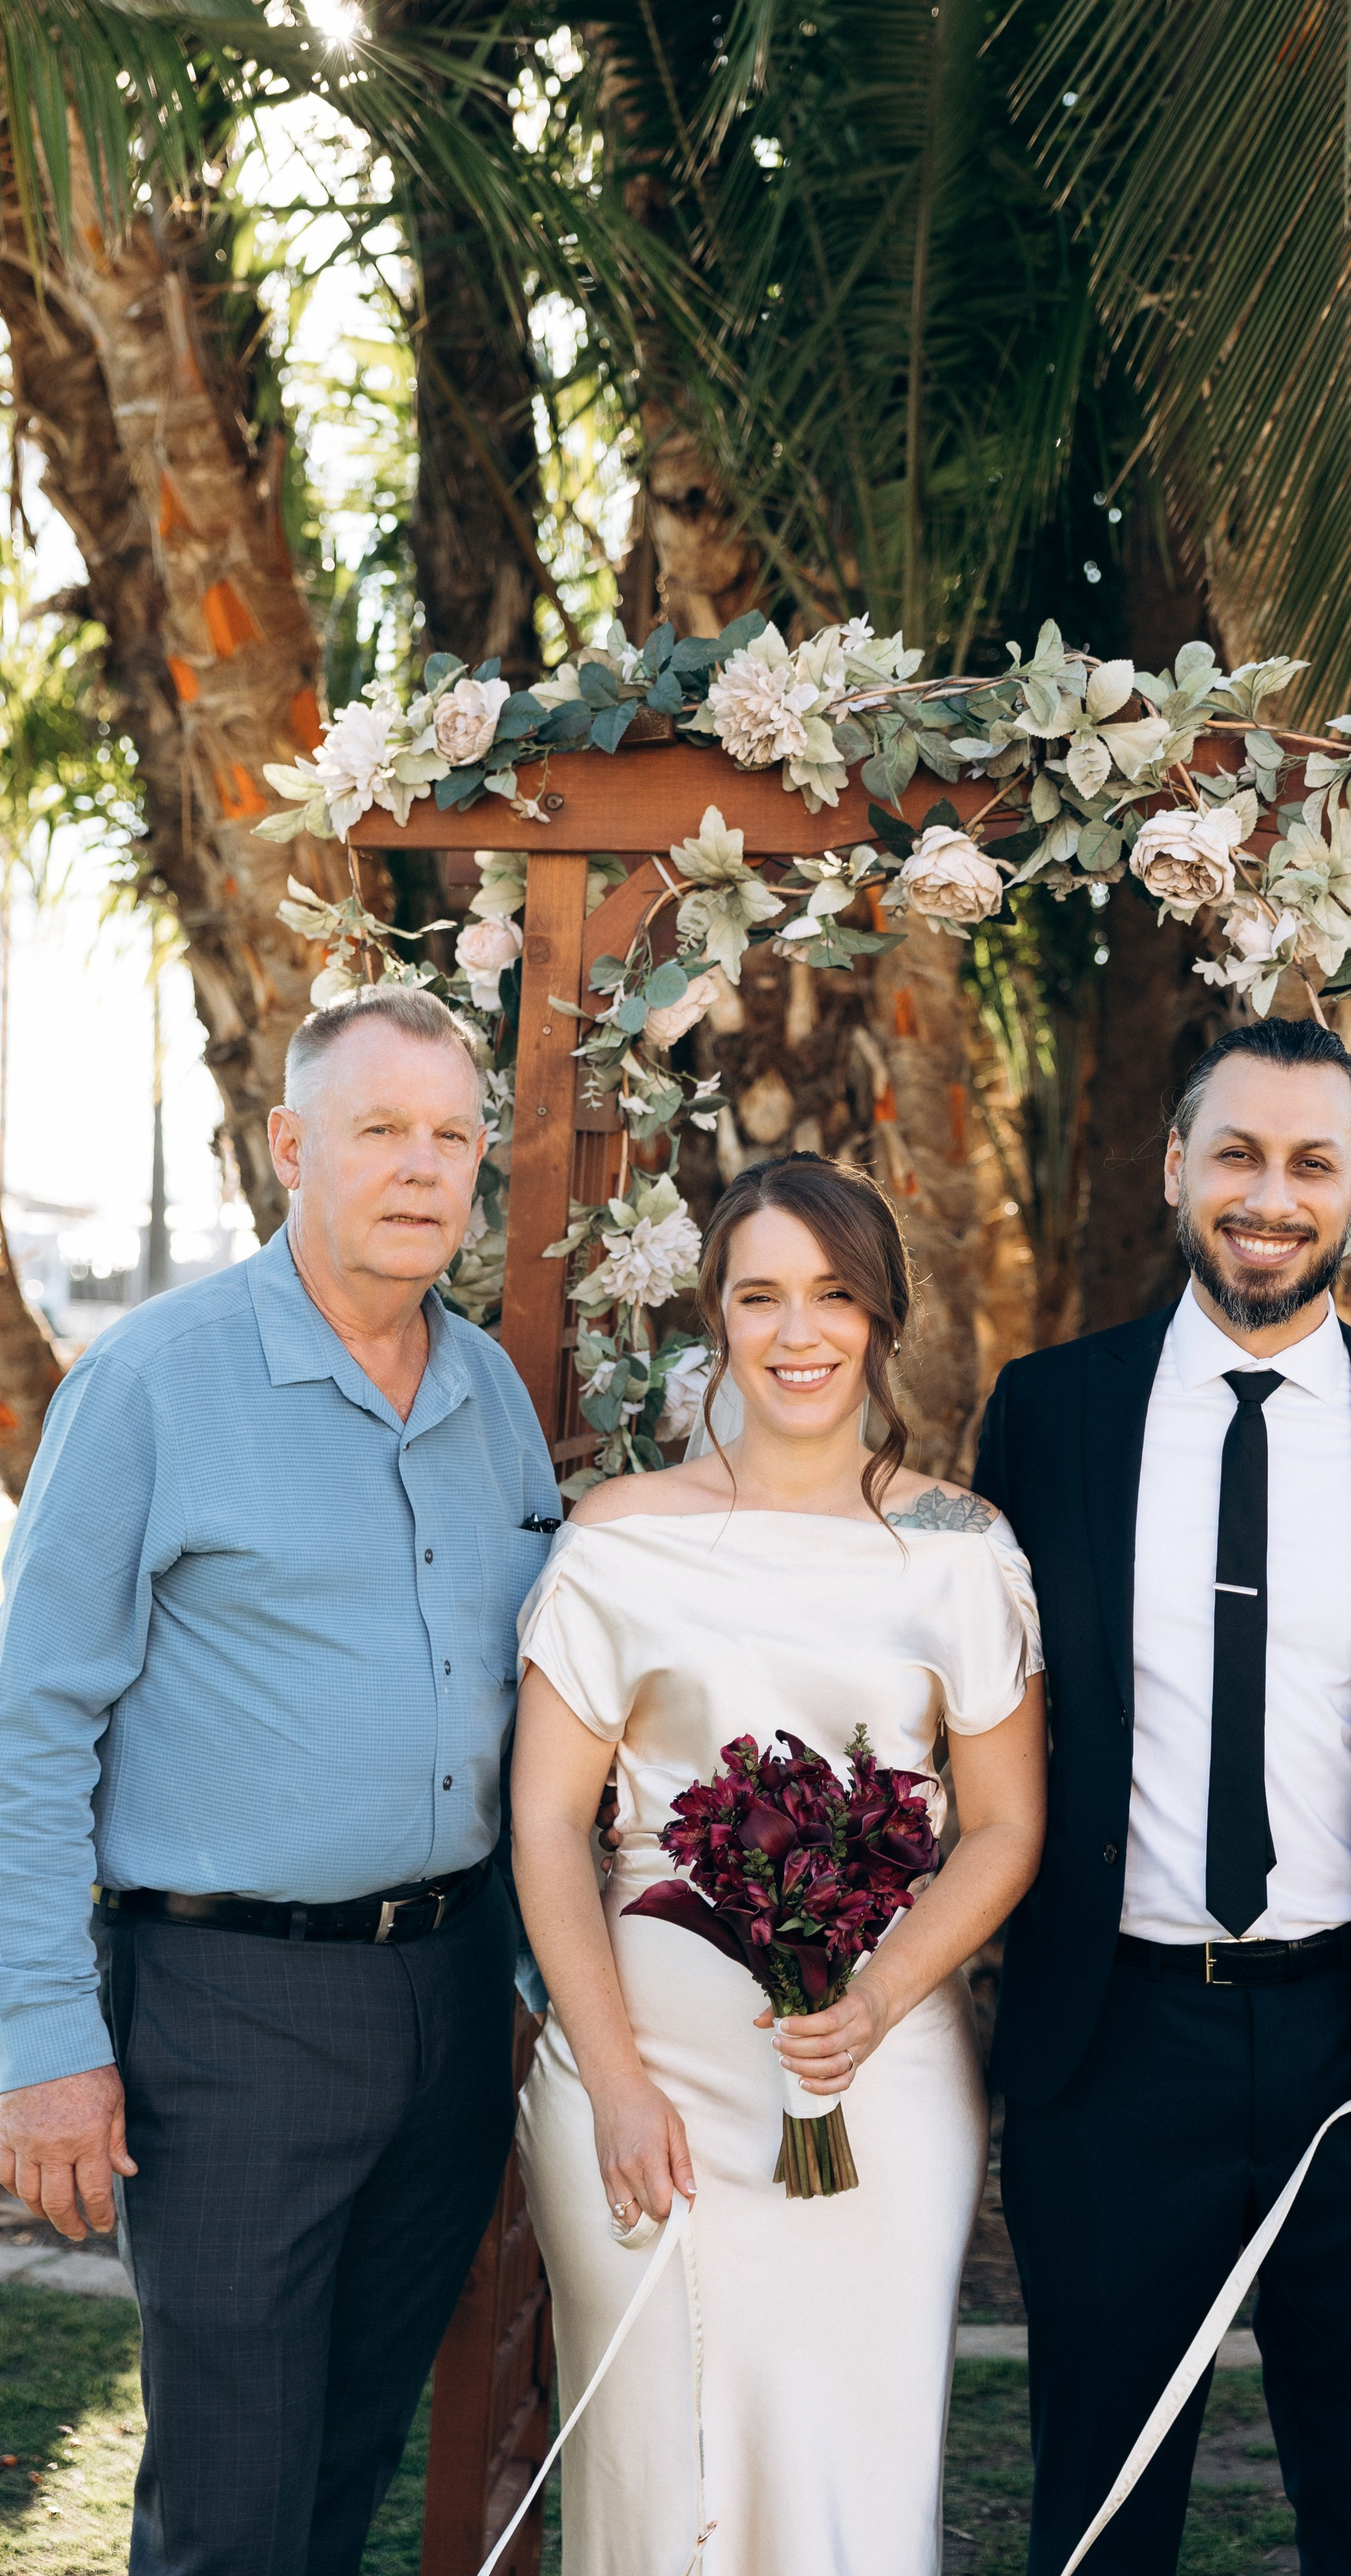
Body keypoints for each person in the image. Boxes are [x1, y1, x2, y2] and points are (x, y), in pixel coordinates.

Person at [0, 985, 558, 2576]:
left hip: (449, 1997)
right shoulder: (152, 1383)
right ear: (291, 1144)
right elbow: (28, 1731)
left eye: (452, 1136)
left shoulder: (488, 1398)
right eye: (381, 1129)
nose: (420, 1167)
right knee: (233, 2504)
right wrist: (41, 2043)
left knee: (343, 2465)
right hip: (226, 2012)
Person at [971, 1013, 1351, 2576]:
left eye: (1309, 1162)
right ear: (1174, 1167)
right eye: (1234, 1153)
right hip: (1110, 2043)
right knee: (1099, 2501)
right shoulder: (1046, 1415)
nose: (1267, 1195)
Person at [510, 1152, 1047, 2576]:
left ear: (881, 1319)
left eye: (834, 1296)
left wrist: (876, 1999)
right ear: (717, 1318)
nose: (798, 1333)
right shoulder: (618, 1542)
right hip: (646, 2093)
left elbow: (1001, 1828)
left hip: (883, 2089)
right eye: (761, 1296)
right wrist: (613, 2079)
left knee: (849, 2470)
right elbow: (550, 1826)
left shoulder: (960, 1548)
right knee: (654, 2468)